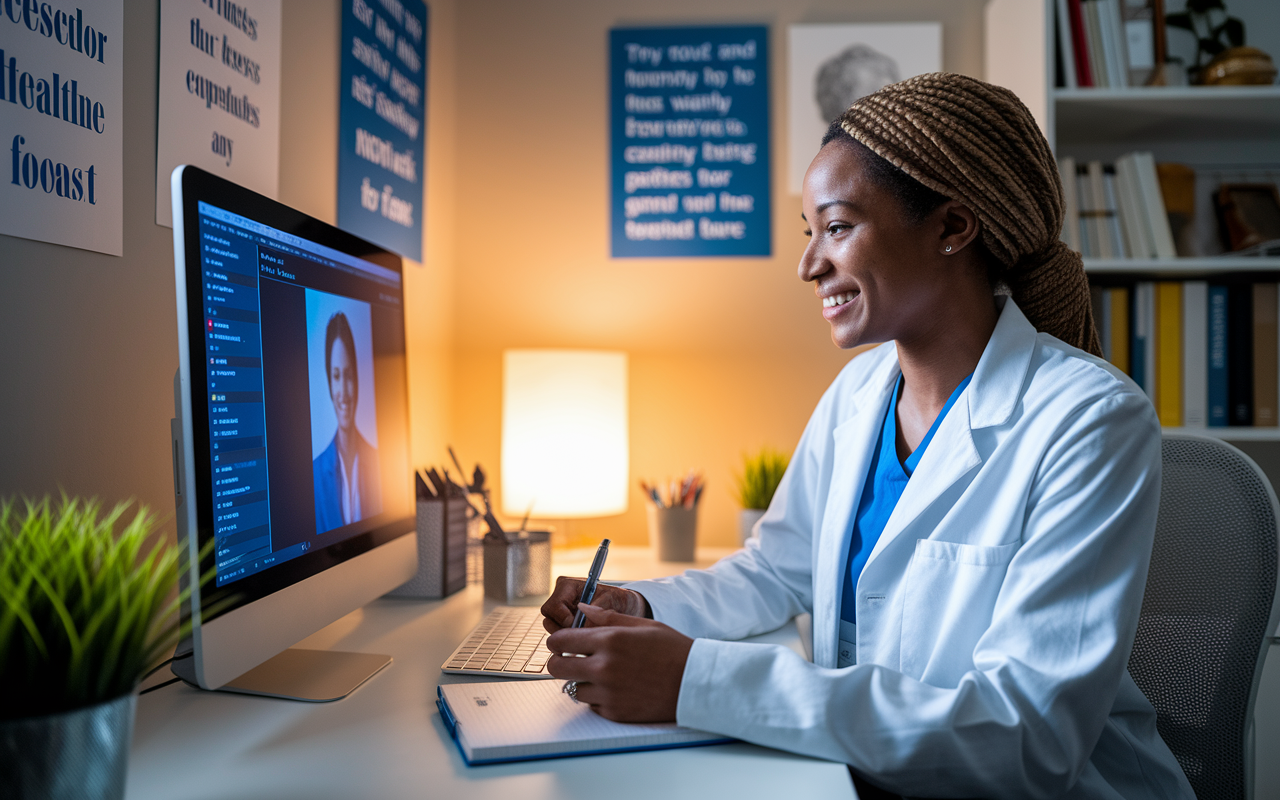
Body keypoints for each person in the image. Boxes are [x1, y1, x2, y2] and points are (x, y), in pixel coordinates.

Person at [540, 73, 1194, 799]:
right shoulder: (860, 392)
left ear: (952, 228)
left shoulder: (1091, 421)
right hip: (857, 777)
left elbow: (1028, 741)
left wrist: (694, 681)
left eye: (839, 228)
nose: (808, 264)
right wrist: (646, 608)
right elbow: (775, 571)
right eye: (809, 233)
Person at [313, 311, 381, 533]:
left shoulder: (381, 463)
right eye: (336, 376)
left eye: (349, 376)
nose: (343, 391)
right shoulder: (314, 475)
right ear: (329, 384)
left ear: (358, 381)